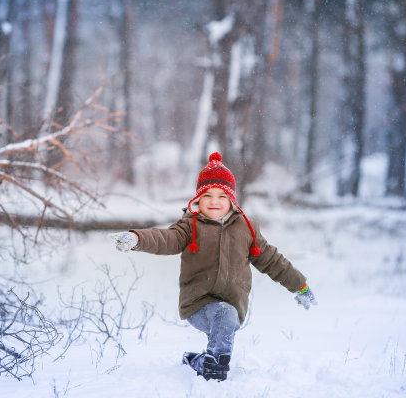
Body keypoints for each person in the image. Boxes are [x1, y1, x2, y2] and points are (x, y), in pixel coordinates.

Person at [110, 152, 316, 381]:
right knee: (223, 313)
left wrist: (301, 286)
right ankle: (215, 369)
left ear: (231, 200)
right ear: (198, 199)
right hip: (198, 304)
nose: (214, 201)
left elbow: (273, 261)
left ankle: (200, 361)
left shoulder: (246, 229)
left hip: (233, 303)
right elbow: (165, 239)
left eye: (221, 196)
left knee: (227, 314)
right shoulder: (189, 226)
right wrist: (137, 239)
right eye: (207, 195)